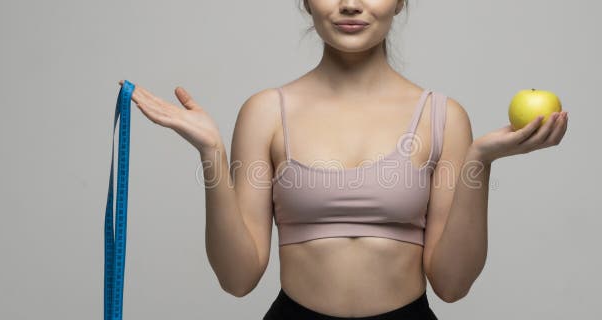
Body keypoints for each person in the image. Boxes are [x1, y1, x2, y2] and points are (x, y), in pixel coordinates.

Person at [119, 0, 569, 318]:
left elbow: (452, 287)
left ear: (400, 2)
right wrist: (211, 154)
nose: (351, 4)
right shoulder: (265, 112)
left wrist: (479, 160)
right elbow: (237, 279)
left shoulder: (443, 118)